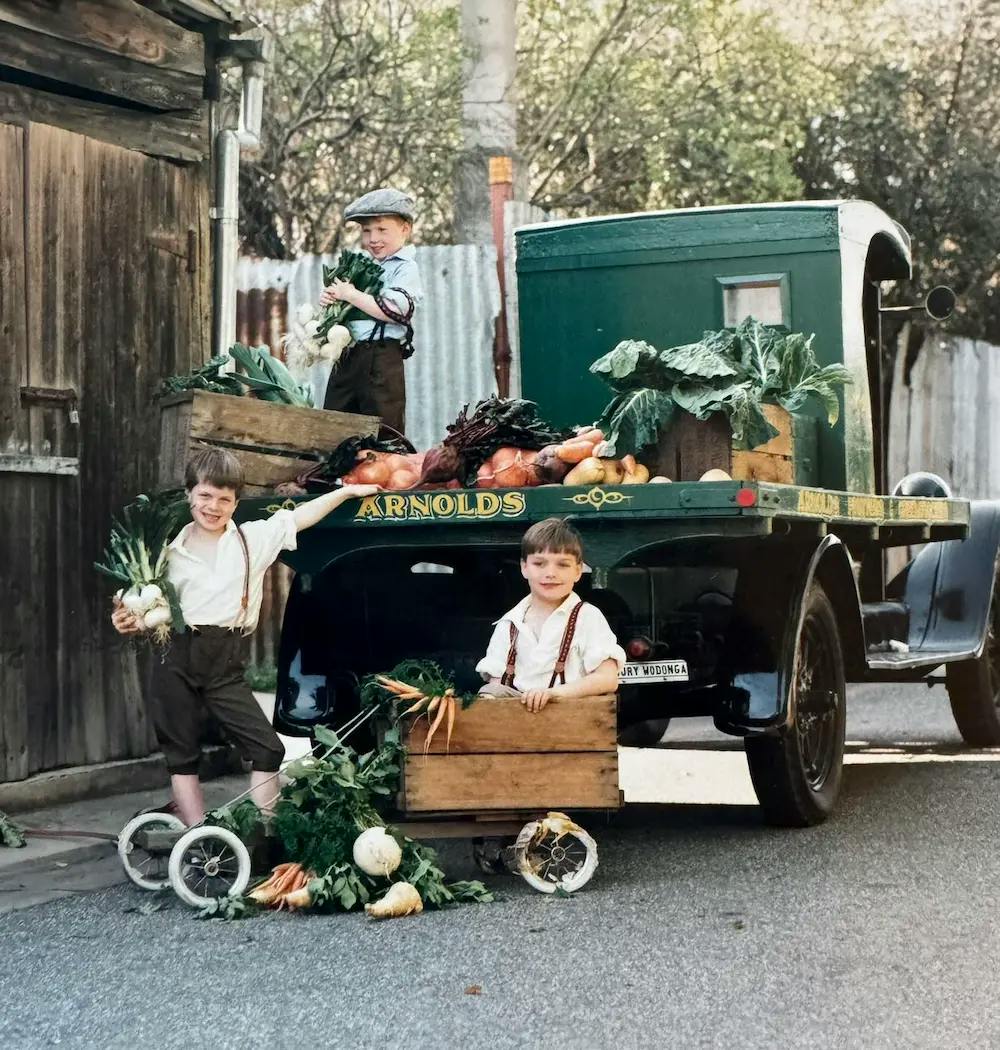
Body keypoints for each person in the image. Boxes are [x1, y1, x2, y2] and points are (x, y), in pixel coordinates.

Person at [110, 448, 378, 825]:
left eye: (224, 498)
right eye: (204, 495)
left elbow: (300, 516)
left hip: (224, 663)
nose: (213, 506)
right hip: (174, 658)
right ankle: (197, 837)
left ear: (236, 502)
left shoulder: (252, 540)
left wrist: (345, 493)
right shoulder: (167, 552)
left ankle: (264, 830)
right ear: (189, 494)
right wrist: (123, 619)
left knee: (267, 748)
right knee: (182, 755)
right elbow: (137, 606)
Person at [476, 517, 626, 712]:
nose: (550, 573)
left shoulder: (587, 617)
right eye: (539, 564)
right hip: (516, 727)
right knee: (488, 691)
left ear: (578, 571)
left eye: (562, 565)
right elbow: (497, 682)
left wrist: (553, 694)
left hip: (571, 723)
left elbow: (607, 679)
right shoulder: (509, 624)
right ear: (524, 568)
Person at [320, 187, 423, 436]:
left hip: (381, 359)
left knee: (383, 429)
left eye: (381, 230)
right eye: (366, 231)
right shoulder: (364, 266)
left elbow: (396, 310)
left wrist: (352, 295)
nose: (373, 238)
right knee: (334, 425)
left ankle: (383, 472)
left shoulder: (405, 269)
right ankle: (334, 473)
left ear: (405, 229)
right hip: (348, 356)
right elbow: (348, 306)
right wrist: (332, 300)